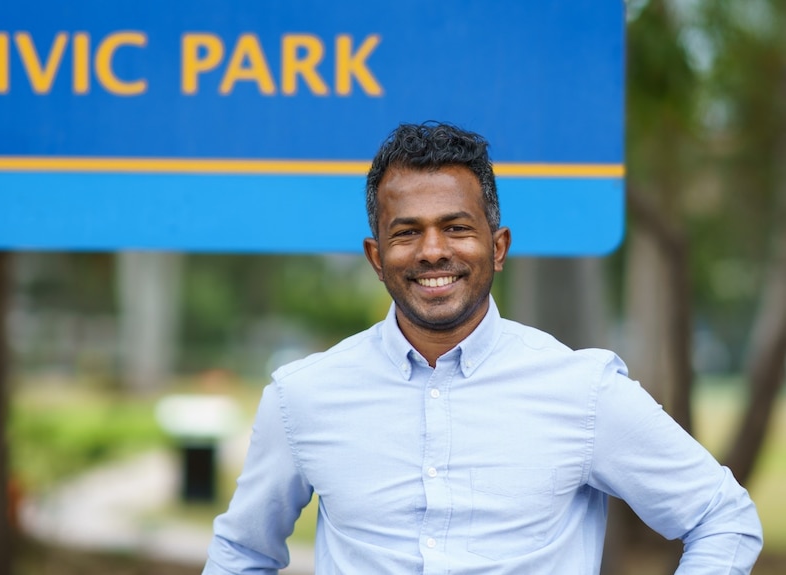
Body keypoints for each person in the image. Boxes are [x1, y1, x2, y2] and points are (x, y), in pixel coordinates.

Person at [202, 122, 762, 574]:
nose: (432, 251)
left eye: (456, 228)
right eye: (406, 232)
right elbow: (243, 554)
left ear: (497, 248)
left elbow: (723, 516)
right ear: (376, 257)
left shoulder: (583, 392)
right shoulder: (302, 397)